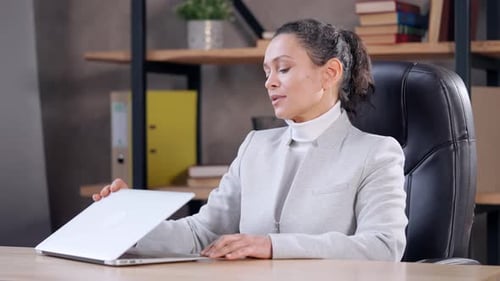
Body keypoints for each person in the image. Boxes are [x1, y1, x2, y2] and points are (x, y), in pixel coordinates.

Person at [94, 18, 407, 261]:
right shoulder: (256, 146)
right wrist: (129, 223)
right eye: (267, 72)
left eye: (283, 69)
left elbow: (382, 246)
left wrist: (272, 246)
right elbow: (203, 232)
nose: (270, 82)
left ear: (329, 74)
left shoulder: (376, 153)